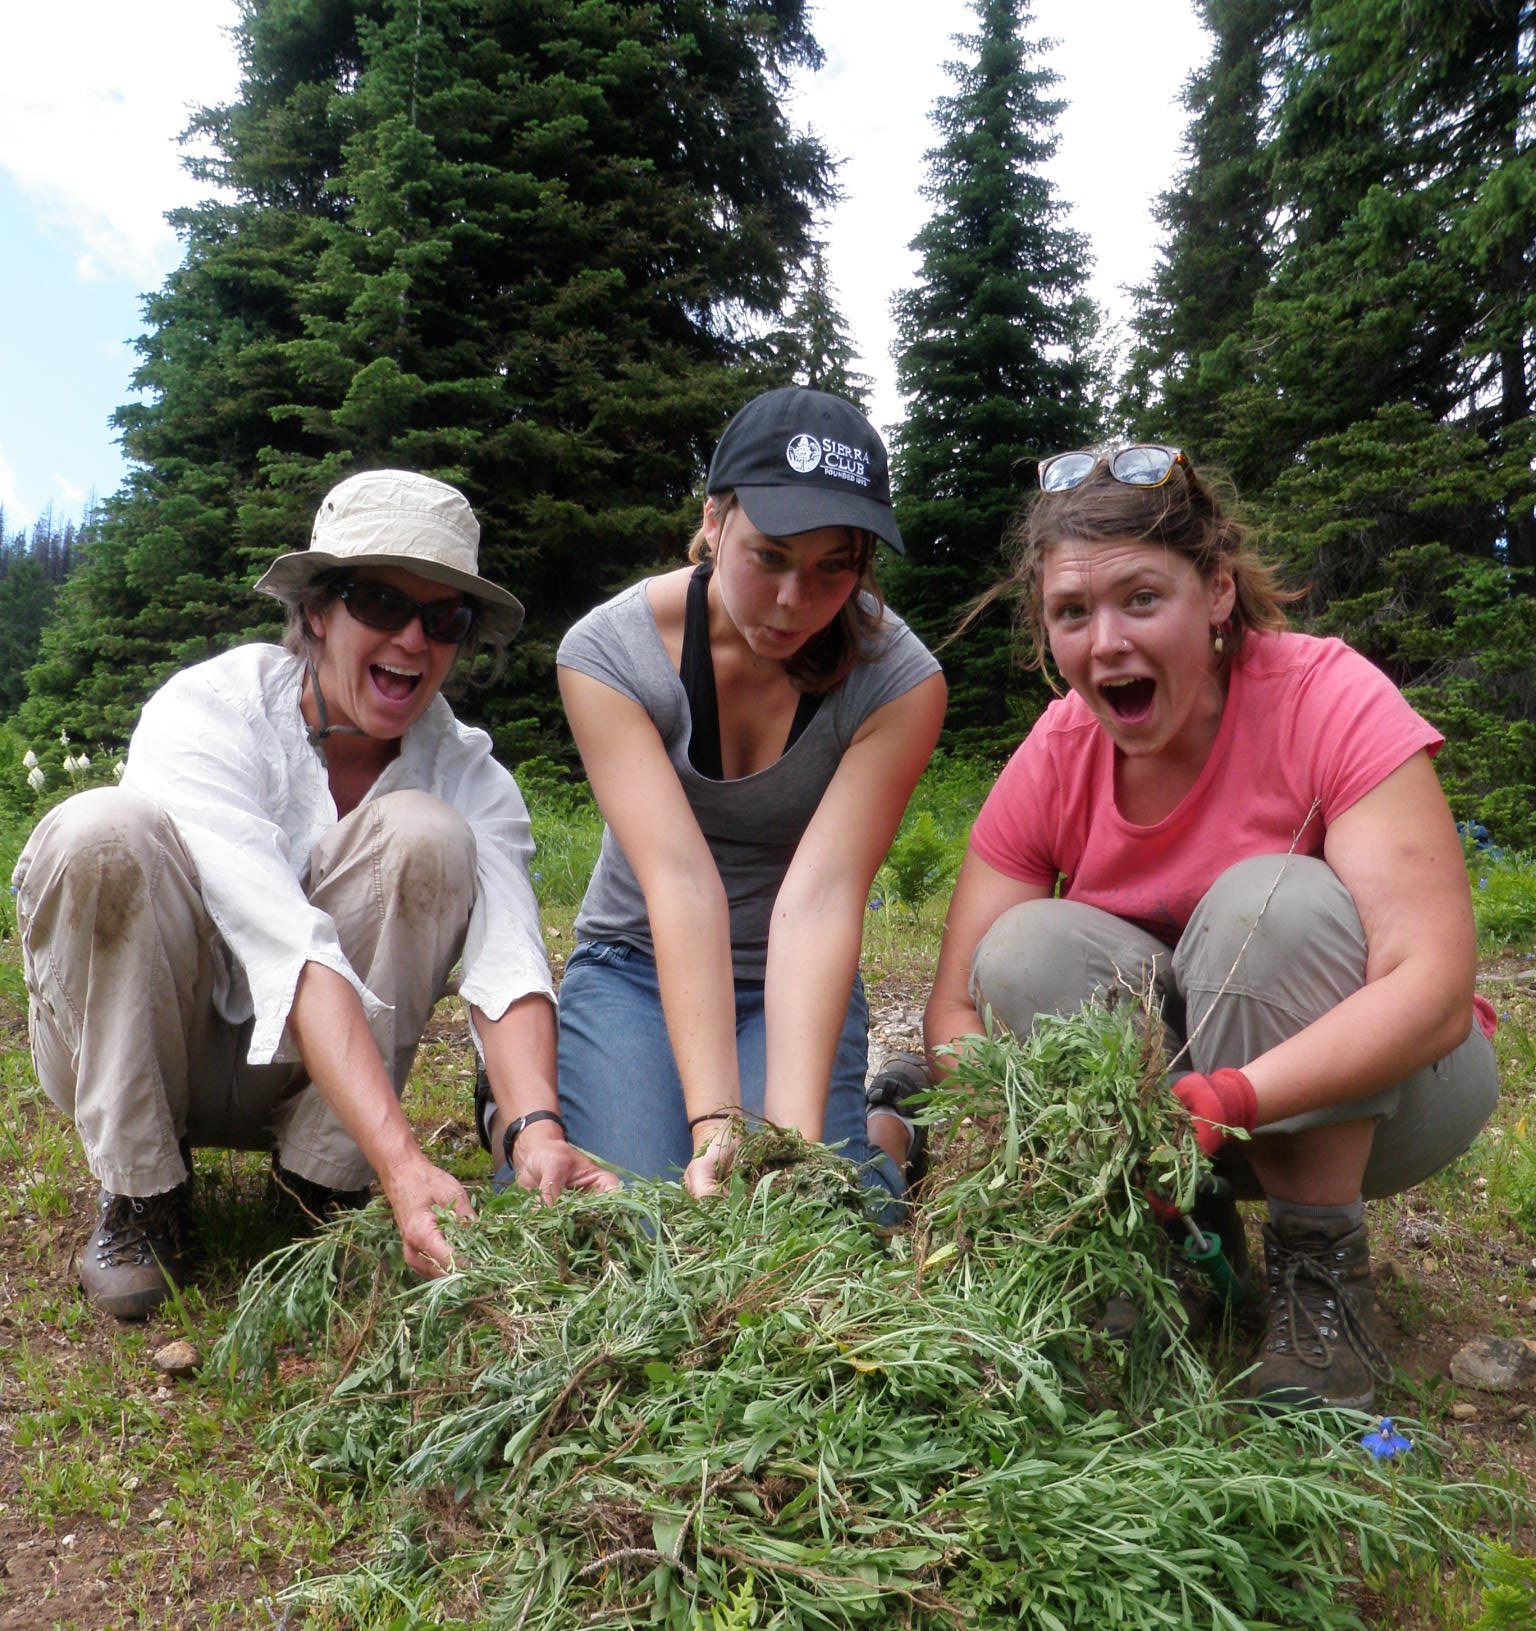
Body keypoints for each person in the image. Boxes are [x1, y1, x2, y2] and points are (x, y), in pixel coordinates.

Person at [920, 443, 1499, 1409]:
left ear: (1218, 593)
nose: (1105, 643)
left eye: (1141, 599)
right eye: (1073, 612)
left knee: (1270, 901)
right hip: (1178, 1129)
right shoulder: (1057, 748)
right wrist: (1052, 1132)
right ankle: (1171, 1243)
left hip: (1399, 1099)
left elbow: (1433, 992)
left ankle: (1322, 1278)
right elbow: (952, 1016)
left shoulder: (1325, 695)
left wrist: (1225, 1096)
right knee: (1023, 948)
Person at [13, 469, 616, 1320]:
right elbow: (284, 944)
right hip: (149, 1041)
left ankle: (317, 1186)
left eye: (444, 618)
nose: (413, 639)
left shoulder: (469, 774)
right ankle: (142, 1195)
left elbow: (510, 959)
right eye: (380, 601)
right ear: (318, 611)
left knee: (429, 836)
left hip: (306, 1074)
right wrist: (406, 1163)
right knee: (100, 830)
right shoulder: (208, 711)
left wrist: (537, 1134)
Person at [478, 387, 945, 1209]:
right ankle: (505, 1105)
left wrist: (781, 1158)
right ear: (714, 522)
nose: (795, 602)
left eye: (833, 567)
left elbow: (823, 897)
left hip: (791, 973)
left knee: (808, 1212)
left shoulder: (899, 684)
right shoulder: (609, 652)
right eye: (769, 556)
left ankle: (890, 1126)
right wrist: (718, 1126)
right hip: (634, 965)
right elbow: (680, 881)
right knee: (634, 1212)